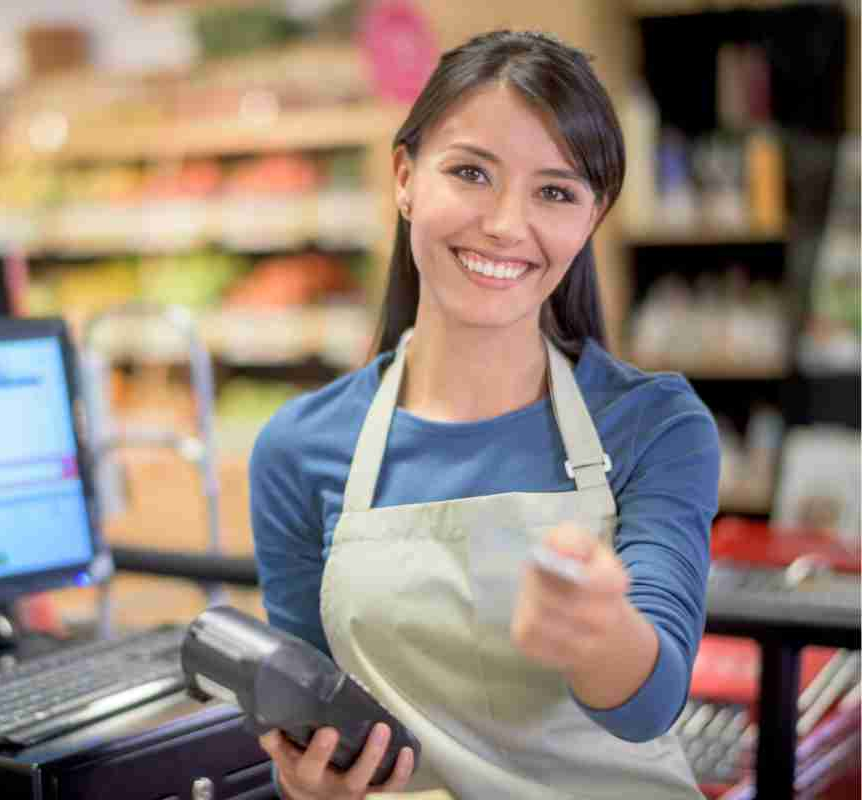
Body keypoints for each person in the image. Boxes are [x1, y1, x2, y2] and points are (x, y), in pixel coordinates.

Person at [249, 30, 719, 800]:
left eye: (555, 191)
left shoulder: (654, 424)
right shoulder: (299, 449)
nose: (505, 224)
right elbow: (316, 719)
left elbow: (651, 705)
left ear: (592, 217)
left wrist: (598, 631)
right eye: (471, 172)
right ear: (404, 177)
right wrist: (309, 784)